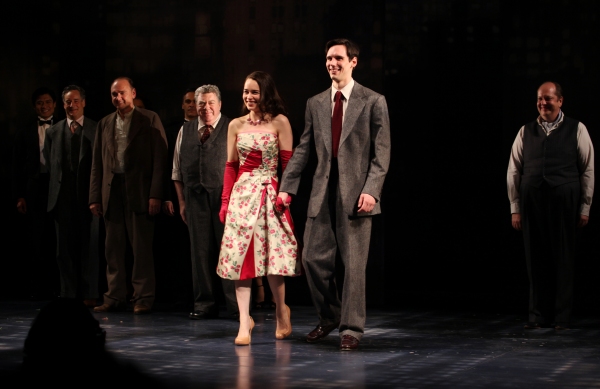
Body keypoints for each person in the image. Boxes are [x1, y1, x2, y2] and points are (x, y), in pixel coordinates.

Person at [278, 38, 391, 350]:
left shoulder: (372, 101)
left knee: (354, 265)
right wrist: (287, 187)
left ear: (353, 62)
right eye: (329, 58)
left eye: (339, 58)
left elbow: (382, 154)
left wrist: (372, 191)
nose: (332, 64)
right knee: (311, 258)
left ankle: (351, 328)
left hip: (357, 196)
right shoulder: (315, 103)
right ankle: (329, 316)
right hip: (322, 192)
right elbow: (303, 150)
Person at [217, 71, 300, 345]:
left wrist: (286, 194)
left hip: (270, 195)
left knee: (273, 259)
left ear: (265, 93)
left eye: (254, 92)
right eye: (245, 92)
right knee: (242, 260)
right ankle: (244, 320)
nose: (249, 97)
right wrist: (226, 201)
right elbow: (231, 166)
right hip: (242, 197)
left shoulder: (280, 122)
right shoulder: (236, 125)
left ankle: (281, 310)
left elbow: (288, 164)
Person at [507, 81, 594, 330]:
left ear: (560, 101)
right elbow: (514, 169)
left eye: (548, 99)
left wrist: (585, 207)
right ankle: (537, 315)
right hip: (532, 200)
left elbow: (587, 169)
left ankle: (561, 317)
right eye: (539, 99)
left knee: (563, 258)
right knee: (535, 258)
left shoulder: (577, 129)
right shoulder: (526, 131)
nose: (543, 103)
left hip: (564, 200)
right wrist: (515, 207)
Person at [90, 77, 168, 315]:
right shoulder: (105, 123)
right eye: (114, 94)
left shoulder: (149, 118)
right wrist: (95, 196)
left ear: (133, 93)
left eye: (122, 93)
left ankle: (143, 297)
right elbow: (97, 164)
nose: (118, 98)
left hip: (140, 190)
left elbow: (160, 159)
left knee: (141, 247)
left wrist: (155, 194)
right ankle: (114, 296)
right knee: (112, 247)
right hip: (112, 189)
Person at [171, 85, 238, 319]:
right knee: (199, 253)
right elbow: (177, 170)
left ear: (219, 105)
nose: (206, 108)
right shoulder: (185, 130)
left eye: (211, 103)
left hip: (225, 198)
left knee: (228, 251)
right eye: (201, 103)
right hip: (194, 197)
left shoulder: (232, 127)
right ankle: (204, 304)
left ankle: (235, 305)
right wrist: (181, 202)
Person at [44, 85, 99, 307]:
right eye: (68, 101)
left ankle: (89, 292)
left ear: (83, 102)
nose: (72, 105)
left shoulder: (96, 129)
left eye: (76, 101)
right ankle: (67, 293)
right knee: (63, 249)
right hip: (62, 197)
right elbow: (50, 163)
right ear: (63, 104)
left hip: (88, 198)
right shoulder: (53, 131)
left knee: (90, 247)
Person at [11, 87, 59, 299]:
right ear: (34, 106)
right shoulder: (25, 131)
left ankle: (58, 286)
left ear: (55, 104)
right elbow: (16, 165)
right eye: (40, 103)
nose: (44, 106)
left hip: (57, 185)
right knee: (35, 237)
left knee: (56, 237)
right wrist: (19, 195)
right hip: (34, 187)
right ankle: (36, 287)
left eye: (48, 102)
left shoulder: (63, 127)